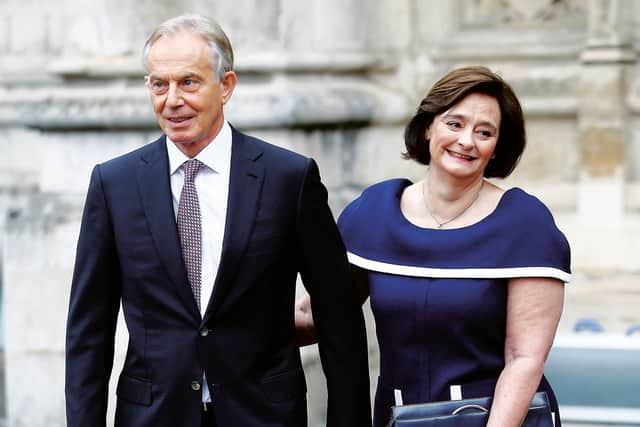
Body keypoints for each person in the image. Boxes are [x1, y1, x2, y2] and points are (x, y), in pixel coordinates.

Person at [65, 14, 371, 427]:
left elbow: (340, 321)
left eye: (188, 82)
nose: (171, 99)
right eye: (159, 83)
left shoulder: (288, 179)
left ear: (226, 86)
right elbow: (89, 331)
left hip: (263, 415)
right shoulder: (113, 184)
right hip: (152, 415)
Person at [296, 66, 571, 427]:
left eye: (484, 132)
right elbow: (316, 316)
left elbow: (524, 358)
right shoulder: (373, 214)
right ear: (428, 126)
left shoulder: (524, 225)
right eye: (454, 124)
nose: (467, 141)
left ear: (497, 146)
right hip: (398, 417)